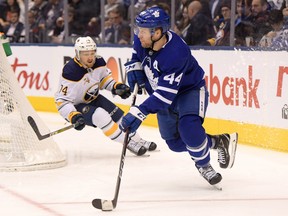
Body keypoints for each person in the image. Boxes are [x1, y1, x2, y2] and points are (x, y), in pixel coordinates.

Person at [120, 7, 238, 186]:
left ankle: (204, 165)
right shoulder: (142, 38)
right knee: (175, 144)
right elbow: (136, 54)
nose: (138, 34)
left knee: (189, 128)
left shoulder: (176, 53)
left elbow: (165, 96)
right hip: (162, 94)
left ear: (157, 32)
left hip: (188, 91)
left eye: (143, 31)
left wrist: (140, 111)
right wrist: (133, 66)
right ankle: (216, 141)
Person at [55, 36, 157, 156]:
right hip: (75, 107)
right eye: (85, 54)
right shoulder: (71, 71)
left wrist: (116, 87)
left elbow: (104, 80)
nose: (90, 57)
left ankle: (138, 140)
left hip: (94, 98)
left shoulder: (99, 62)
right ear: (78, 54)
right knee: (100, 115)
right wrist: (73, 115)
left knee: (119, 116)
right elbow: (62, 101)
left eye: (92, 53)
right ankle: (128, 142)